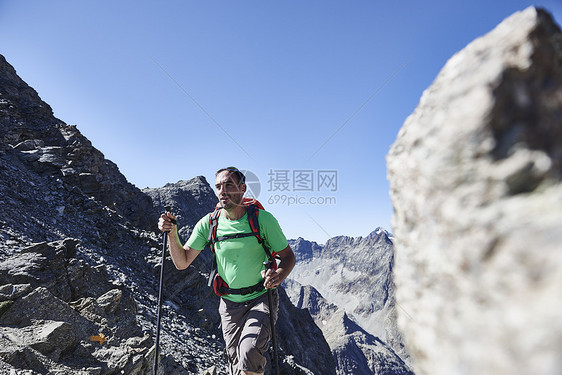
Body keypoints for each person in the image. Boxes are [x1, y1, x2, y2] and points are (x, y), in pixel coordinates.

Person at [158, 167, 296, 375]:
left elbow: (288, 257)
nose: (223, 191)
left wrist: (278, 275)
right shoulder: (209, 223)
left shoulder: (263, 220)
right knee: (236, 366)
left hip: (261, 298)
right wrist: (172, 233)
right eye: (219, 187)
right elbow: (182, 262)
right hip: (229, 305)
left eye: (229, 185)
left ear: (242, 189)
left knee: (249, 353)